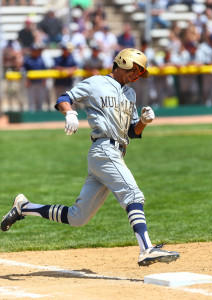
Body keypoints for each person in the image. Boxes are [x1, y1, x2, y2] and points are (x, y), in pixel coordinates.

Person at [1, 48, 180, 267]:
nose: (136, 76)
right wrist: (70, 113)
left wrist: (144, 120)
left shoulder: (130, 94)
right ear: (122, 63)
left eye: (140, 73)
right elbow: (64, 98)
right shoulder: (96, 83)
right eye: (135, 70)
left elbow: (133, 131)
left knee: (78, 218)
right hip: (103, 149)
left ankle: (24, 207)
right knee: (133, 194)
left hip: (114, 153)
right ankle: (146, 249)